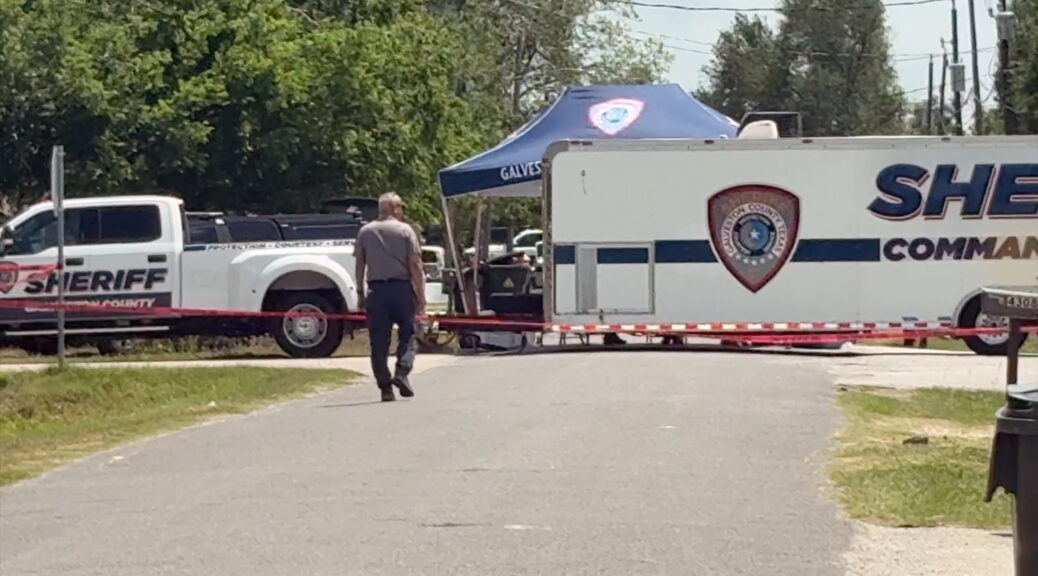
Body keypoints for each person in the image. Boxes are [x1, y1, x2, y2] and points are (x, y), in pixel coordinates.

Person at [354, 192, 427, 402]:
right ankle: (402, 371)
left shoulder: (365, 232)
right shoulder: (405, 231)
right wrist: (421, 294)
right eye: (401, 206)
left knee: (378, 341)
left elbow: (360, 264)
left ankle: (385, 387)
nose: (402, 211)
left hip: (376, 291)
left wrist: (360, 291)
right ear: (394, 208)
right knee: (409, 333)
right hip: (401, 289)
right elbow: (415, 264)